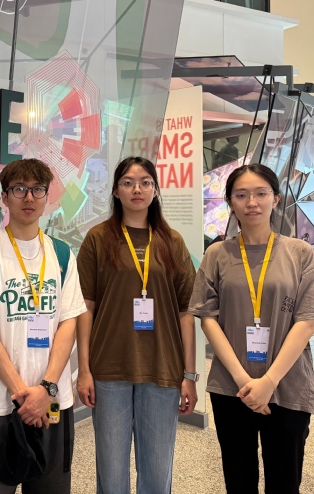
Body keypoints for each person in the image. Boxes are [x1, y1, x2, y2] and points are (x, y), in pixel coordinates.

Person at [188, 163, 314, 494]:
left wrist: (268, 382)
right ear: (230, 202)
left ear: (276, 199)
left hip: (288, 384)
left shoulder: (300, 253)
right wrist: (244, 382)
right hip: (231, 387)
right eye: (241, 195)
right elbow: (208, 319)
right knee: (239, 481)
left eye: (260, 193)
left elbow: (306, 321)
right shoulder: (217, 254)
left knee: (285, 481)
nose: (251, 202)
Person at [0, 158, 86, 493]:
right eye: (19, 189)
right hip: (0, 402)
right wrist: (23, 395)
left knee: (51, 487)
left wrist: (46, 389)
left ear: (47, 197)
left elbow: (68, 323)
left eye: (37, 189)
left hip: (53, 401)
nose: (29, 197)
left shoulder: (62, 255)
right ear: (5, 197)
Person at [76, 157, 198, 494]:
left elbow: (186, 313)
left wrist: (189, 375)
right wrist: (83, 370)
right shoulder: (98, 239)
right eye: (128, 182)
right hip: (109, 367)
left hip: (162, 367)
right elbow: (85, 308)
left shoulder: (172, 241)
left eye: (145, 182)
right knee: (111, 473)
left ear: (155, 190)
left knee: (157, 474)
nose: (137, 189)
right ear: (116, 191)